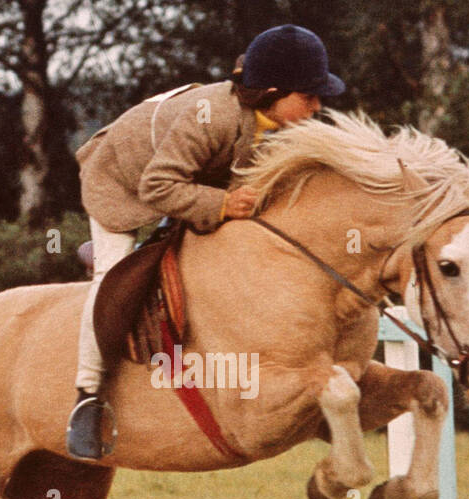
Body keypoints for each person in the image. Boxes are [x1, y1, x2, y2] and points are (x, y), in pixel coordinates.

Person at [66, 24, 345, 459]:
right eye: (308, 97)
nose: (316, 107)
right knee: (112, 277)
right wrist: (223, 204)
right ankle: (87, 394)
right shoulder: (213, 116)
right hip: (123, 180)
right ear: (273, 91)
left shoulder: (275, 122)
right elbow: (158, 187)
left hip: (192, 177)